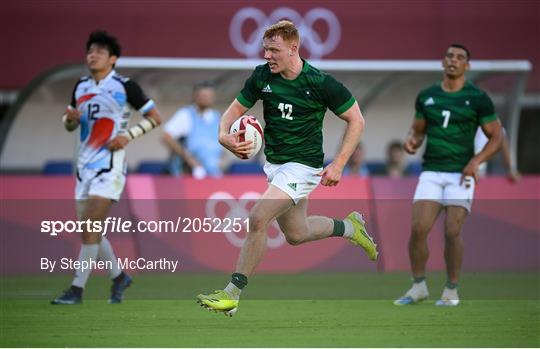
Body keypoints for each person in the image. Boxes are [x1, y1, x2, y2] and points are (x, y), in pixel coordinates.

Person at [196, 20, 378, 316]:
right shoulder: (262, 76)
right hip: (276, 165)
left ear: (293, 48)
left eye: (273, 50)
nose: (267, 56)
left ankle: (231, 294)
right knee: (296, 233)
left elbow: (357, 119)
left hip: (304, 166)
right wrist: (222, 134)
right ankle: (350, 228)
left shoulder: (320, 83)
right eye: (265, 49)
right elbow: (234, 111)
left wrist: (339, 163)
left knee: (258, 218)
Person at [51, 30, 162, 304]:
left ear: (112, 59)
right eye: (90, 51)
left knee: (89, 226)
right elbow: (69, 125)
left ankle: (76, 290)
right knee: (92, 231)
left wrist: (128, 135)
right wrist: (70, 119)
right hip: (83, 167)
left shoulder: (125, 86)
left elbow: (155, 117)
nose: (92, 55)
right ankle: (119, 277)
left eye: (99, 51)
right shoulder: (80, 87)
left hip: (109, 167)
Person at [394, 44, 502, 307]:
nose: (454, 60)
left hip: (460, 173)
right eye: (450, 56)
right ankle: (418, 286)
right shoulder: (427, 95)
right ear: (443, 62)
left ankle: (451, 289)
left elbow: (496, 136)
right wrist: (412, 141)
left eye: (460, 57)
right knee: (419, 229)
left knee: (452, 232)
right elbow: (418, 130)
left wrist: (476, 162)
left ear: (467, 66)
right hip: (431, 170)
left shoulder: (478, 98)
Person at [162, 81, 226, 178]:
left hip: (214, 173)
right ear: (195, 97)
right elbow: (167, 137)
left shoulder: (217, 116)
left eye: (209, 96)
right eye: (203, 96)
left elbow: (222, 143)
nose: (206, 99)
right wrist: (189, 159)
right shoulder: (186, 114)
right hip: (191, 172)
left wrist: (222, 159)